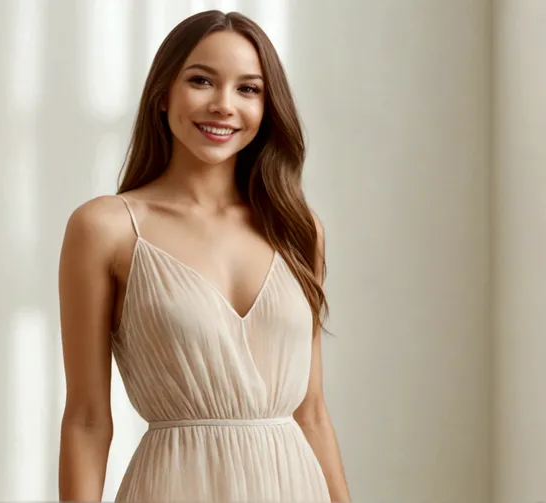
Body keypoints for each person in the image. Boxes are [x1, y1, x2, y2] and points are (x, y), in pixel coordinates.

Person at [57, 9, 350, 503]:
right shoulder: (105, 228)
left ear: (267, 106)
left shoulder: (299, 229)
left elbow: (313, 411)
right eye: (201, 81)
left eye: (248, 89)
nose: (223, 105)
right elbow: (87, 418)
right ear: (162, 95)